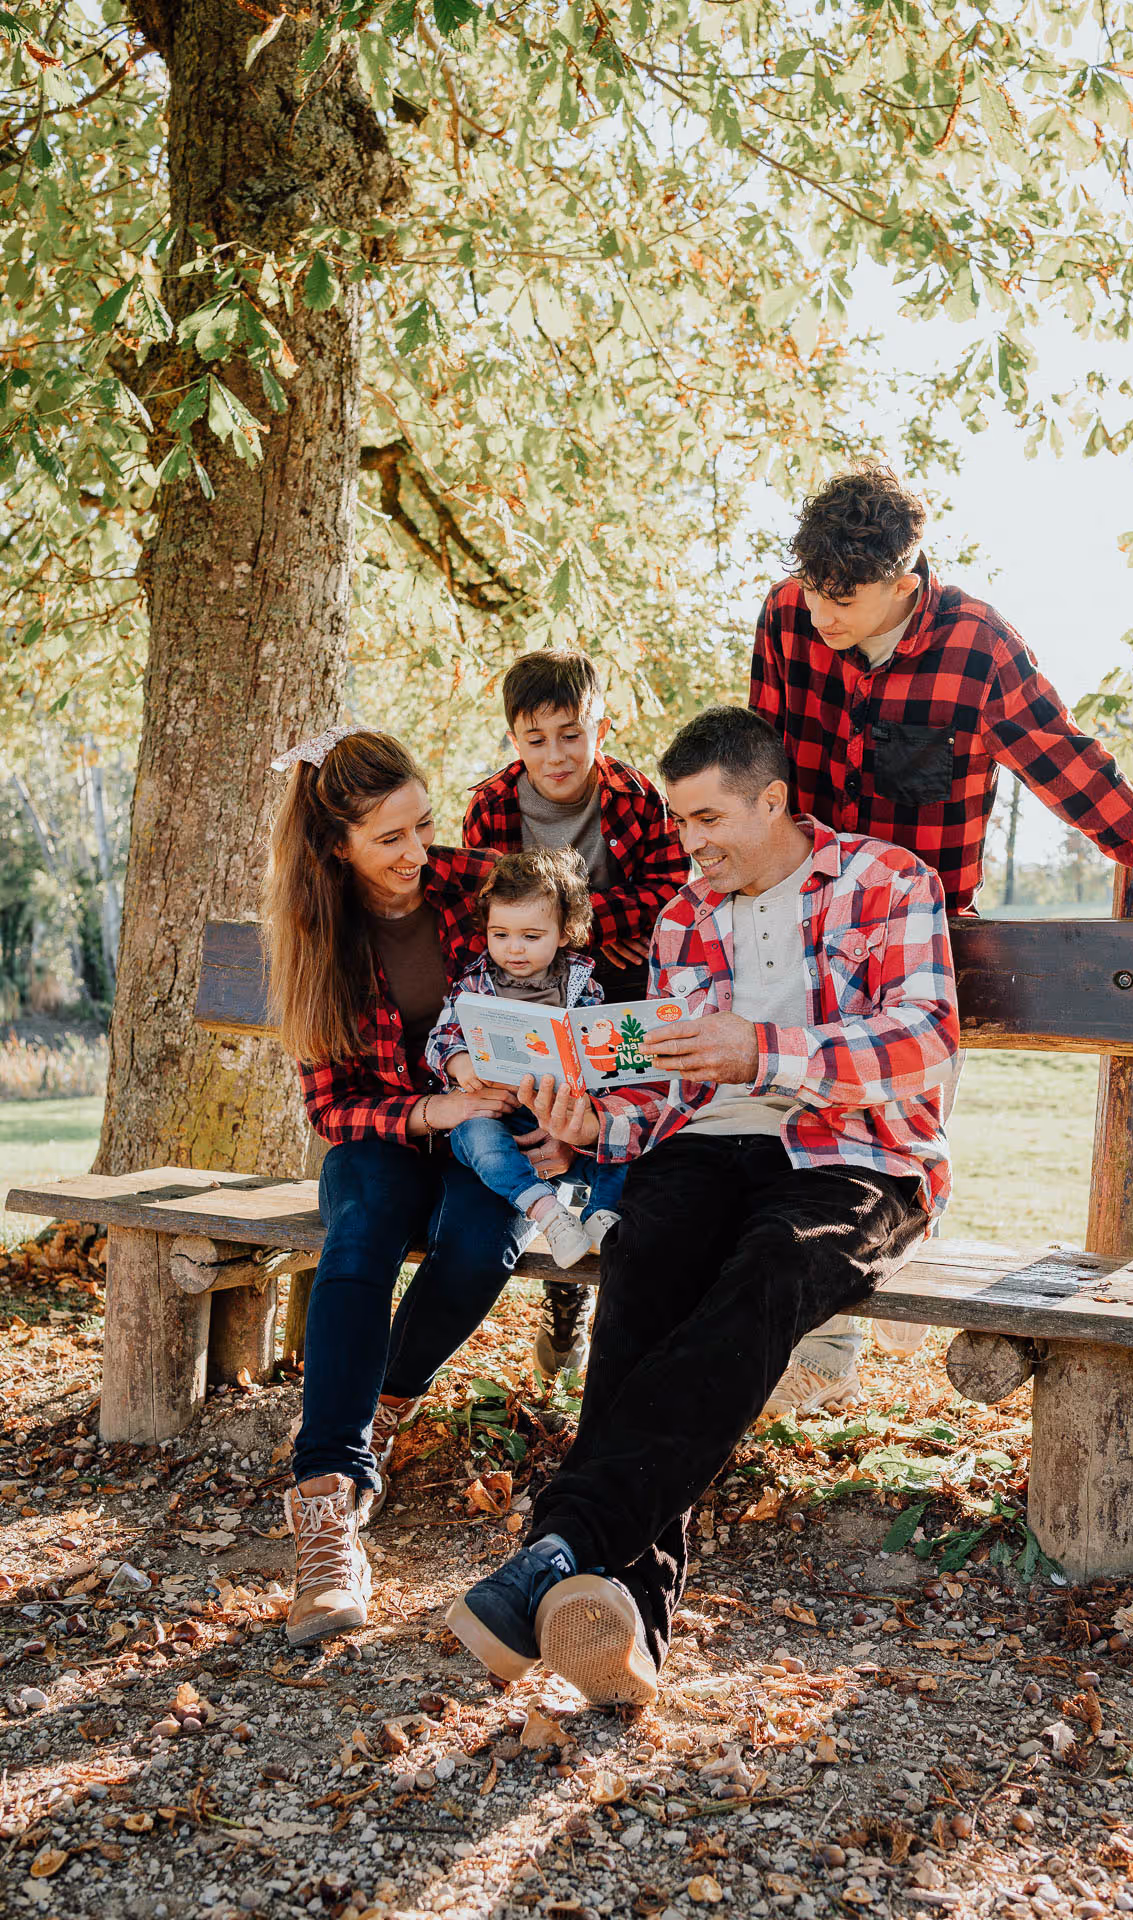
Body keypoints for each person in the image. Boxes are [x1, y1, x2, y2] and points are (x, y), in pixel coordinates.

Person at [444, 705, 959, 1706]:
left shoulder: (888, 882)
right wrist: (592, 1127)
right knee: (646, 1255)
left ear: (772, 800)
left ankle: (566, 1542)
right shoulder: (685, 915)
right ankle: (619, 1613)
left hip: (855, 1157)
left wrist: (763, 1054)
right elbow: (667, 1081)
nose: (690, 845)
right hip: (708, 1147)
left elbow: (925, 1040)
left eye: (708, 819)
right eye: (679, 823)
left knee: (770, 1265)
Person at [752, 460, 1133, 1411]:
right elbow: (761, 761)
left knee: (886, 1136)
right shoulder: (788, 617)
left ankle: (832, 1331)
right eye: (812, 586)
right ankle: (801, 1336)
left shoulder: (979, 648)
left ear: (905, 583)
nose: (820, 609)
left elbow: (1075, 775)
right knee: (785, 1111)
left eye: (843, 595)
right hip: (803, 909)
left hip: (918, 930)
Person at [263, 727, 569, 1648]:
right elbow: (330, 1106)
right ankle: (325, 1505)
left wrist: (561, 1111)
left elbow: (573, 950)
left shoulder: (466, 882)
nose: (415, 853)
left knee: (484, 1243)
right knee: (358, 1238)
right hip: (391, 1129)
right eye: (389, 838)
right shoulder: (317, 934)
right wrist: (432, 1113)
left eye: (422, 826)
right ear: (336, 845)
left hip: (496, 1128)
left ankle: (385, 1405)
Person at [463, 649, 690, 1379]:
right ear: (513, 740)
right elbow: (489, 915)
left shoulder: (633, 796)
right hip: (525, 995)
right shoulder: (492, 807)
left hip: (619, 989)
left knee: (615, 1122)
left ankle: (601, 1285)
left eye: (572, 733)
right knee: (539, 1114)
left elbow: (667, 892)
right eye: (536, 739)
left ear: (602, 725)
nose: (557, 756)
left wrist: (573, 922)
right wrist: (549, 935)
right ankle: (566, 1287)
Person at [425, 847, 628, 1270]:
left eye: (531, 937)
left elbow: (597, 1059)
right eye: (501, 935)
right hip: (498, 1116)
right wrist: (459, 1062)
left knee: (625, 1134)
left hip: (565, 1116)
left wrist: (589, 1100)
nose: (514, 949)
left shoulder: (582, 985)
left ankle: (600, 1217)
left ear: (564, 932)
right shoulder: (476, 981)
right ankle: (547, 1212)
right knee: (476, 1137)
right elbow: (441, 1036)